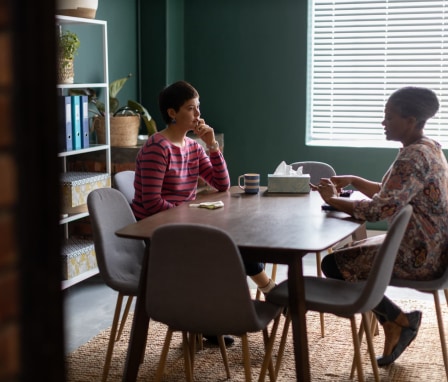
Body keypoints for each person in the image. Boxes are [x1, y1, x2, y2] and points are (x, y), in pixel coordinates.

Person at [311, 86, 448, 366]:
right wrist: (355, 180)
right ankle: (394, 320)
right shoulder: (428, 147)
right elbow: (393, 194)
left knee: (334, 265)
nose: (383, 122)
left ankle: (398, 320)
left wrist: (332, 200)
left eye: (389, 117)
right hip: (434, 247)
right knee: (350, 252)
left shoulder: (412, 157)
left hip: (420, 255)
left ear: (410, 121)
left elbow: (379, 210)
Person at [131, 80, 276, 345]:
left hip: (183, 224)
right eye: (190, 109)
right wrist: (189, 214)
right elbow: (151, 205)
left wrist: (212, 144)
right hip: (158, 233)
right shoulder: (157, 148)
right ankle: (268, 295)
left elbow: (222, 184)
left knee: (233, 247)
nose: (198, 115)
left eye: (198, 108)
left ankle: (222, 315)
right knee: (226, 251)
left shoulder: (193, 147)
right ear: (172, 113)